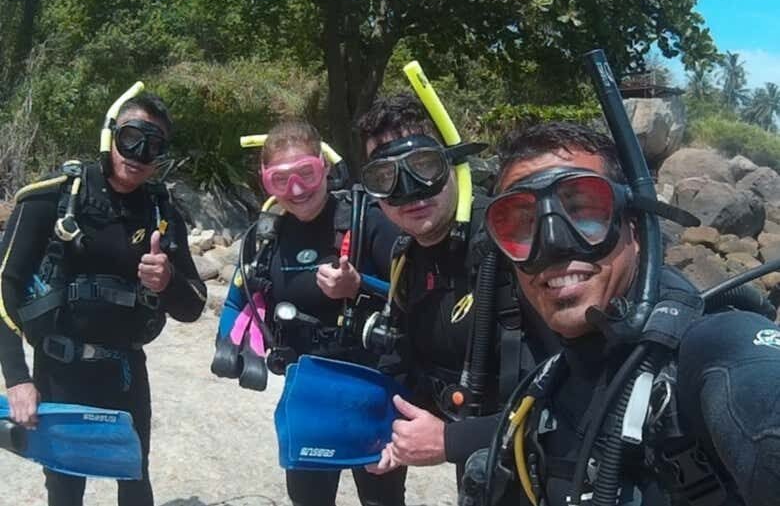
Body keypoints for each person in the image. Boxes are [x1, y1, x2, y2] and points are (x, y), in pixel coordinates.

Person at [471, 121, 780, 506]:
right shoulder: (548, 387)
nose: (552, 245)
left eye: (583, 210)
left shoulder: (712, 349)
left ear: (635, 229)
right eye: (521, 225)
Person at [0, 91, 206, 505]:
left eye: (153, 146)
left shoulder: (160, 212)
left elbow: (194, 305)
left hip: (125, 371)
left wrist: (167, 281)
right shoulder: (50, 199)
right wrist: (18, 379)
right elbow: (5, 285)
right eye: (131, 138)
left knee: (134, 479)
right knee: (63, 486)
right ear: (110, 135)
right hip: (59, 370)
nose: (138, 154)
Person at [356, 95, 557, 478]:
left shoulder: (514, 244)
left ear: (452, 162)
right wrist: (377, 432)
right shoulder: (406, 258)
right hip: (481, 470)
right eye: (385, 178)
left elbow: (582, 390)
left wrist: (452, 441)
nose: (409, 191)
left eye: (423, 166)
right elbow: (406, 364)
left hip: (551, 468)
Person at [216, 120, 407, 506]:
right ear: (264, 181)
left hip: (372, 387)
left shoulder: (367, 220)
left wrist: (361, 287)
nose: (297, 189)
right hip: (307, 391)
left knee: (382, 500)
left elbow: (415, 298)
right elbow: (239, 299)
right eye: (280, 180)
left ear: (324, 166)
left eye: (307, 173)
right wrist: (228, 348)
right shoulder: (265, 236)